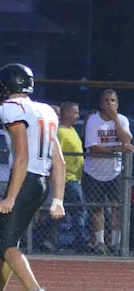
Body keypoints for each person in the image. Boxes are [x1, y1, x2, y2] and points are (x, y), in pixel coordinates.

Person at [0, 63, 65, 291]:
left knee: (5, 244)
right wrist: (57, 200)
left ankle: (34, 290)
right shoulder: (46, 110)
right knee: (10, 242)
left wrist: (10, 196)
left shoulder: (10, 107)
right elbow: (58, 161)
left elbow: (22, 155)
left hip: (24, 180)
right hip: (41, 183)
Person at [83, 89, 134, 255]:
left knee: (117, 207)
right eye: (106, 100)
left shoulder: (123, 120)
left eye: (112, 100)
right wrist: (116, 148)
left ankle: (116, 242)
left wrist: (116, 120)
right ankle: (99, 243)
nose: (109, 103)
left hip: (115, 171)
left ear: (117, 104)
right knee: (97, 209)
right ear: (100, 103)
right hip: (94, 172)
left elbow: (127, 140)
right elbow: (93, 148)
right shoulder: (93, 121)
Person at [57, 101, 87, 252]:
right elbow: (56, 152)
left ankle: (48, 238)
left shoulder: (72, 130)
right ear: (66, 114)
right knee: (79, 209)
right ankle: (80, 240)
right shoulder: (61, 131)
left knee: (73, 210)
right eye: (75, 113)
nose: (77, 116)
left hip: (77, 177)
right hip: (67, 178)